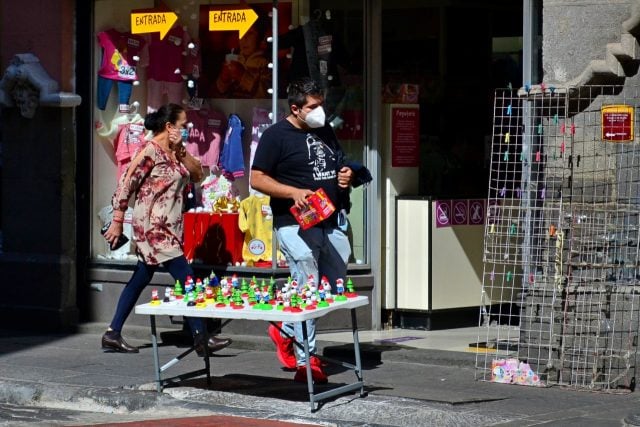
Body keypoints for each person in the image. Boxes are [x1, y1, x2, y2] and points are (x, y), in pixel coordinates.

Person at [101, 103, 232, 355]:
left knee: (142, 276)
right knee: (187, 278)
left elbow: (198, 176)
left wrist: (182, 150)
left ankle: (112, 332)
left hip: (170, 225)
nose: (186, 129)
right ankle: (201, 337)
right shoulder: (150, 151)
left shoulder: (176, 152)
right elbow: (126, 183)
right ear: (169, 126)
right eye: (183, 125)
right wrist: (118, 219)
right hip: (153, 226)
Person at [250, 77, 354, 383]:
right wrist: (292, 192)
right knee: (308, 284)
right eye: (313, 106)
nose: (319, 110)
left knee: (333, 288)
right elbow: (257, 179)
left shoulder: (325, 130)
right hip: (294, 222)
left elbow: (338, 162)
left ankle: (285, 326)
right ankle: (307, 360)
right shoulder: (275, 136)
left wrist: (345, 174)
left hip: (329, 219)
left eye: (321, 104)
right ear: (295, 109)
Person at [215, 21, 270, 98]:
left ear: (260, 38)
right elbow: (218, 97)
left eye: (250, 33)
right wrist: (224, 80)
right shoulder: (235, 60)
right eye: (242, 33)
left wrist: (242, 76)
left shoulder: (266, 63)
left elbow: (266, 96)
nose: (244, 37)